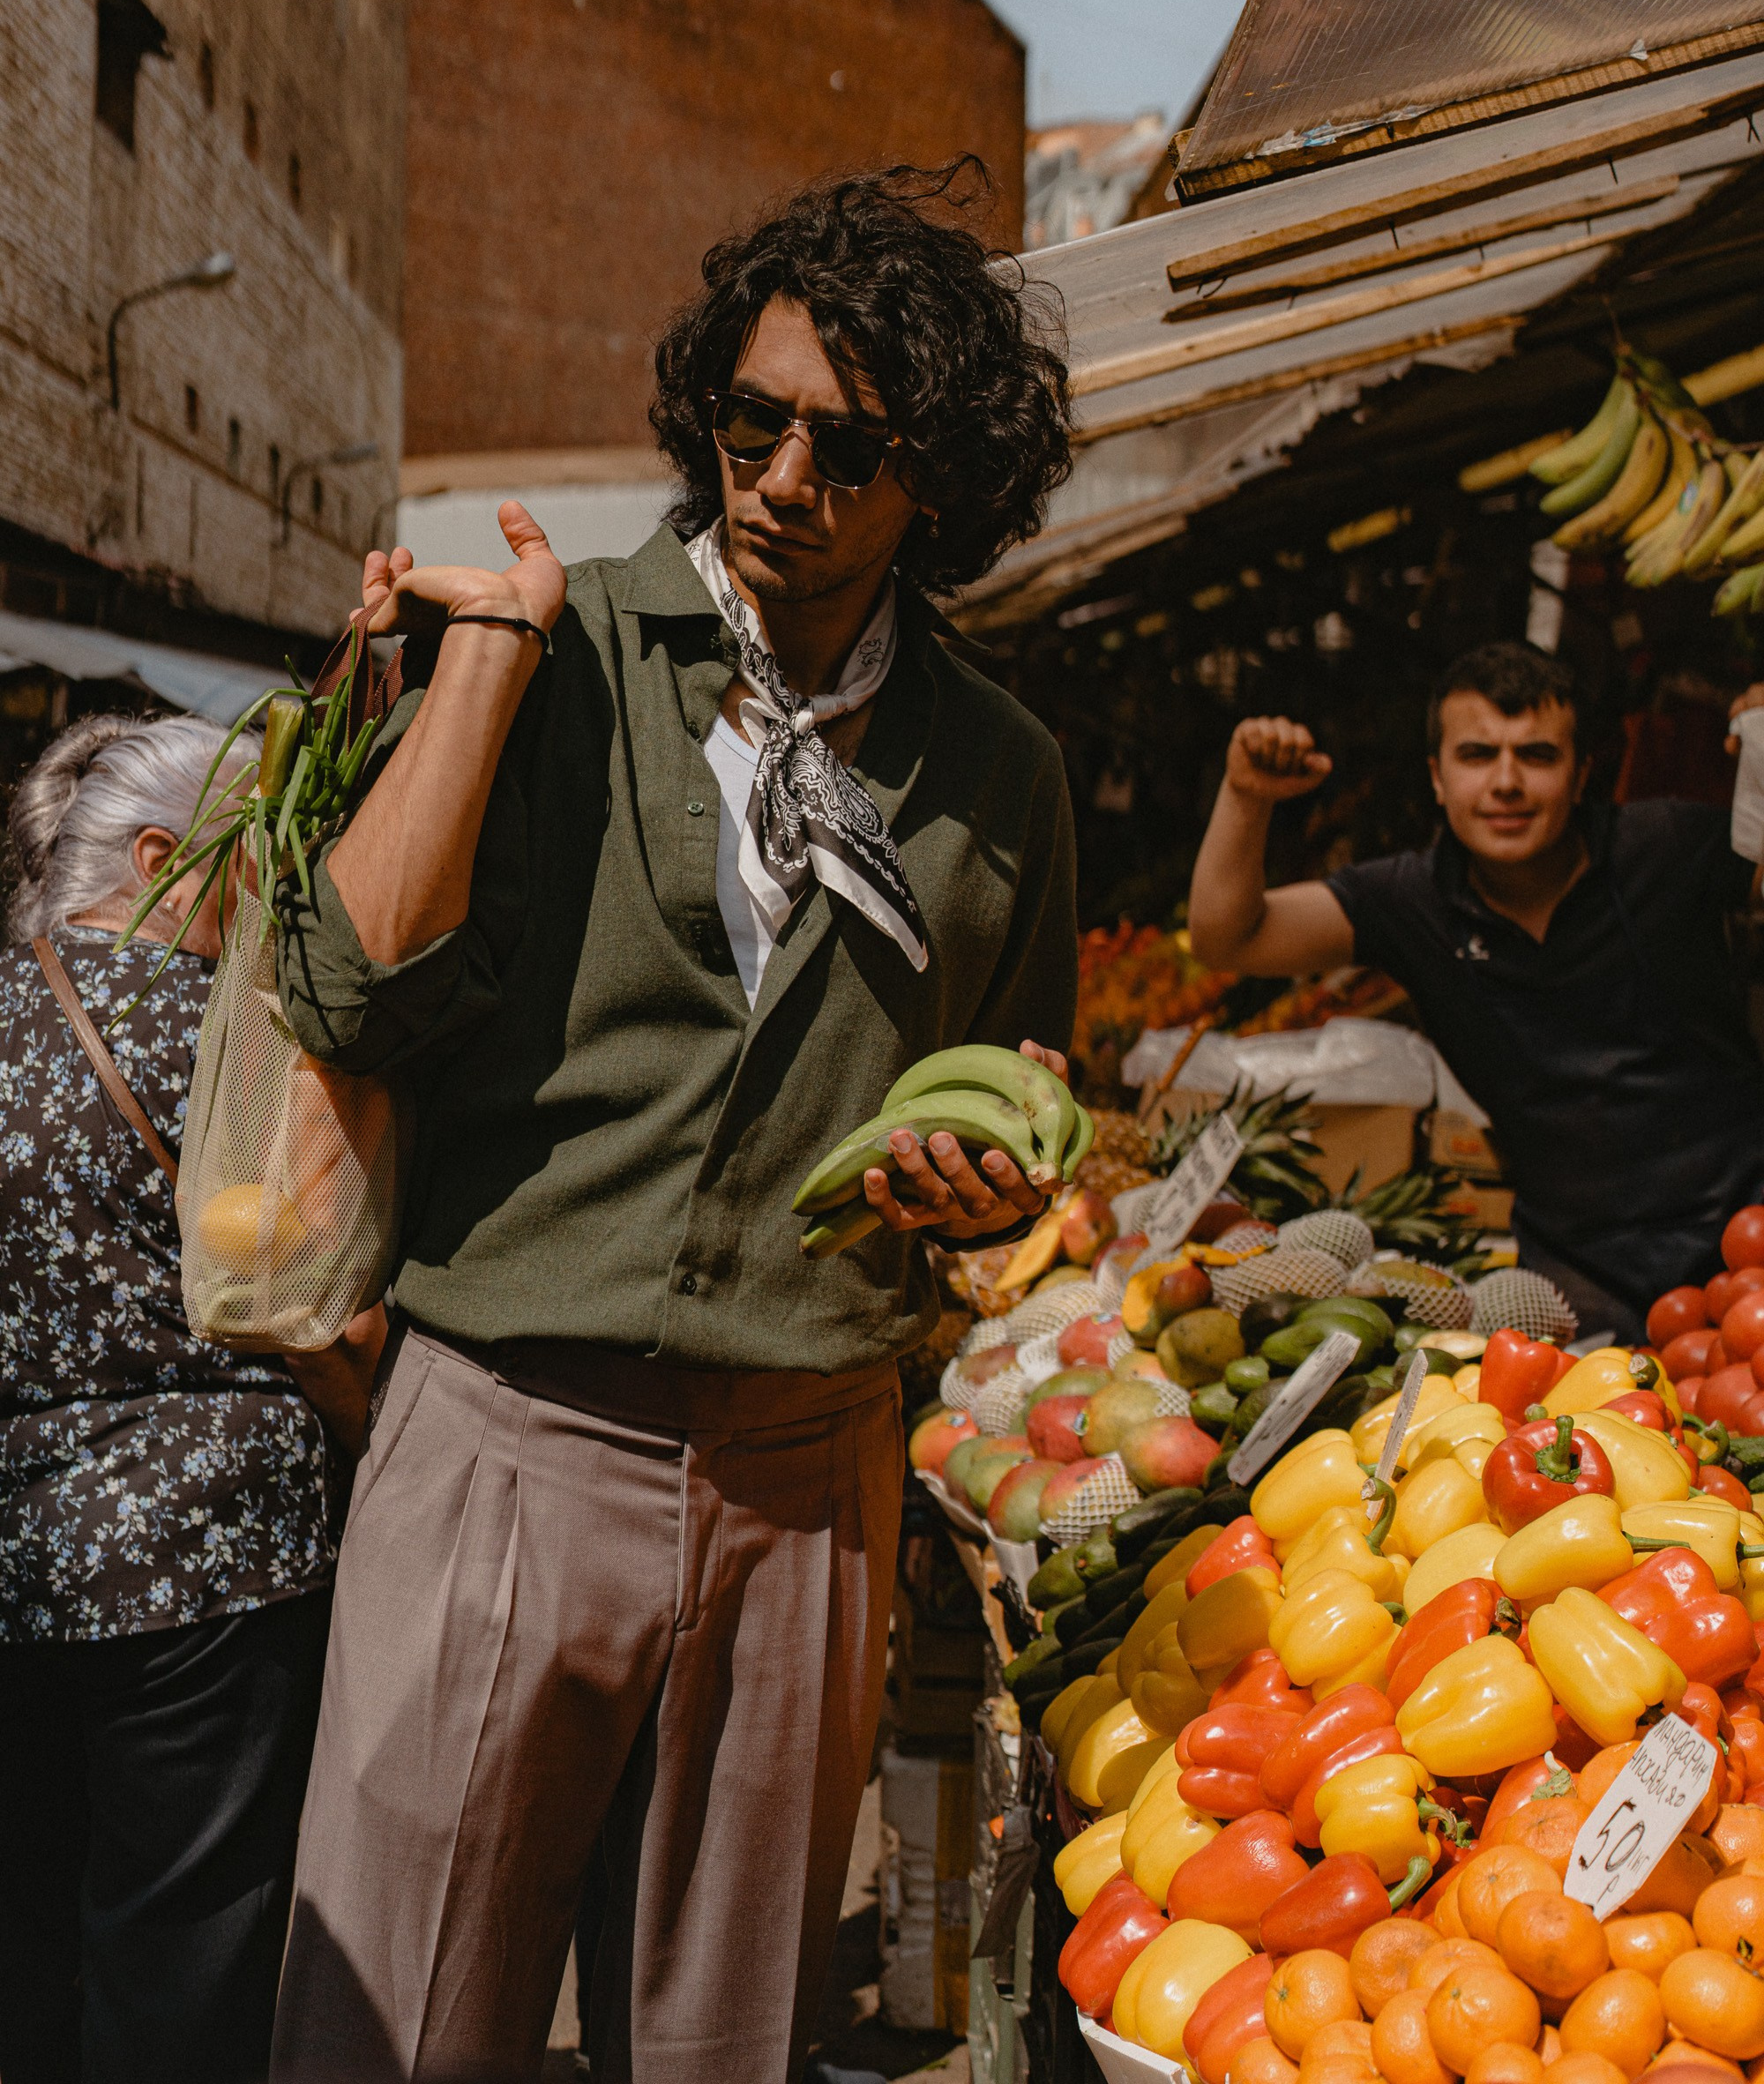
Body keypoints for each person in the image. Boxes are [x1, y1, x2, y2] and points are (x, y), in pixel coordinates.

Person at [267, 163, 1080, 2084]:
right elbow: (349, 989)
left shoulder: (998, 775)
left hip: (810, 1470)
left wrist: (978, 1199)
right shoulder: (563, 659)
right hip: (506, 1437)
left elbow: (1023, 1086)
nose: (784, 476)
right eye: (752, 419)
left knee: (721, 2040)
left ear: (938, 488)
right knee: (396, 2017)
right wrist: (477, 666)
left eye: (850, 446)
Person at [0, 713, 385, 2084]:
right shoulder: (248, 1048)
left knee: (23, 1945)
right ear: (169, 857)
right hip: (210, 1578)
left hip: (20, 1562)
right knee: (181, 1959)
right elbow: (329, 1306)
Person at [1187, 639, 1764, 1335]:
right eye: (1478, 755)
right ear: (1437, 777)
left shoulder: (1668, 843)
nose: (1507, 782)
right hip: (1578, 1283)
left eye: (1538, 755)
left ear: (1582, 774)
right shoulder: (1409, 900)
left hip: (1748, 1241)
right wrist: (1247, 796)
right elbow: (1229, 939)